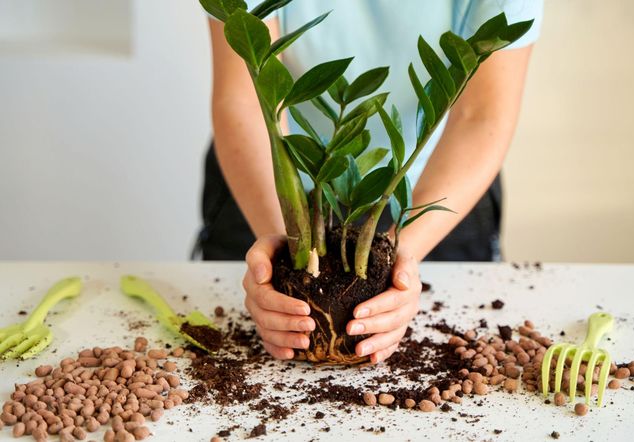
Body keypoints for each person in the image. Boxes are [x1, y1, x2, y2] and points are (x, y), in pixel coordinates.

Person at [196, 0, 543, 363]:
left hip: (439, 185)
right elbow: (246, 97)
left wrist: (398, 262)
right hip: (269, 178)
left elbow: (480, 115)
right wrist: (286, 258)